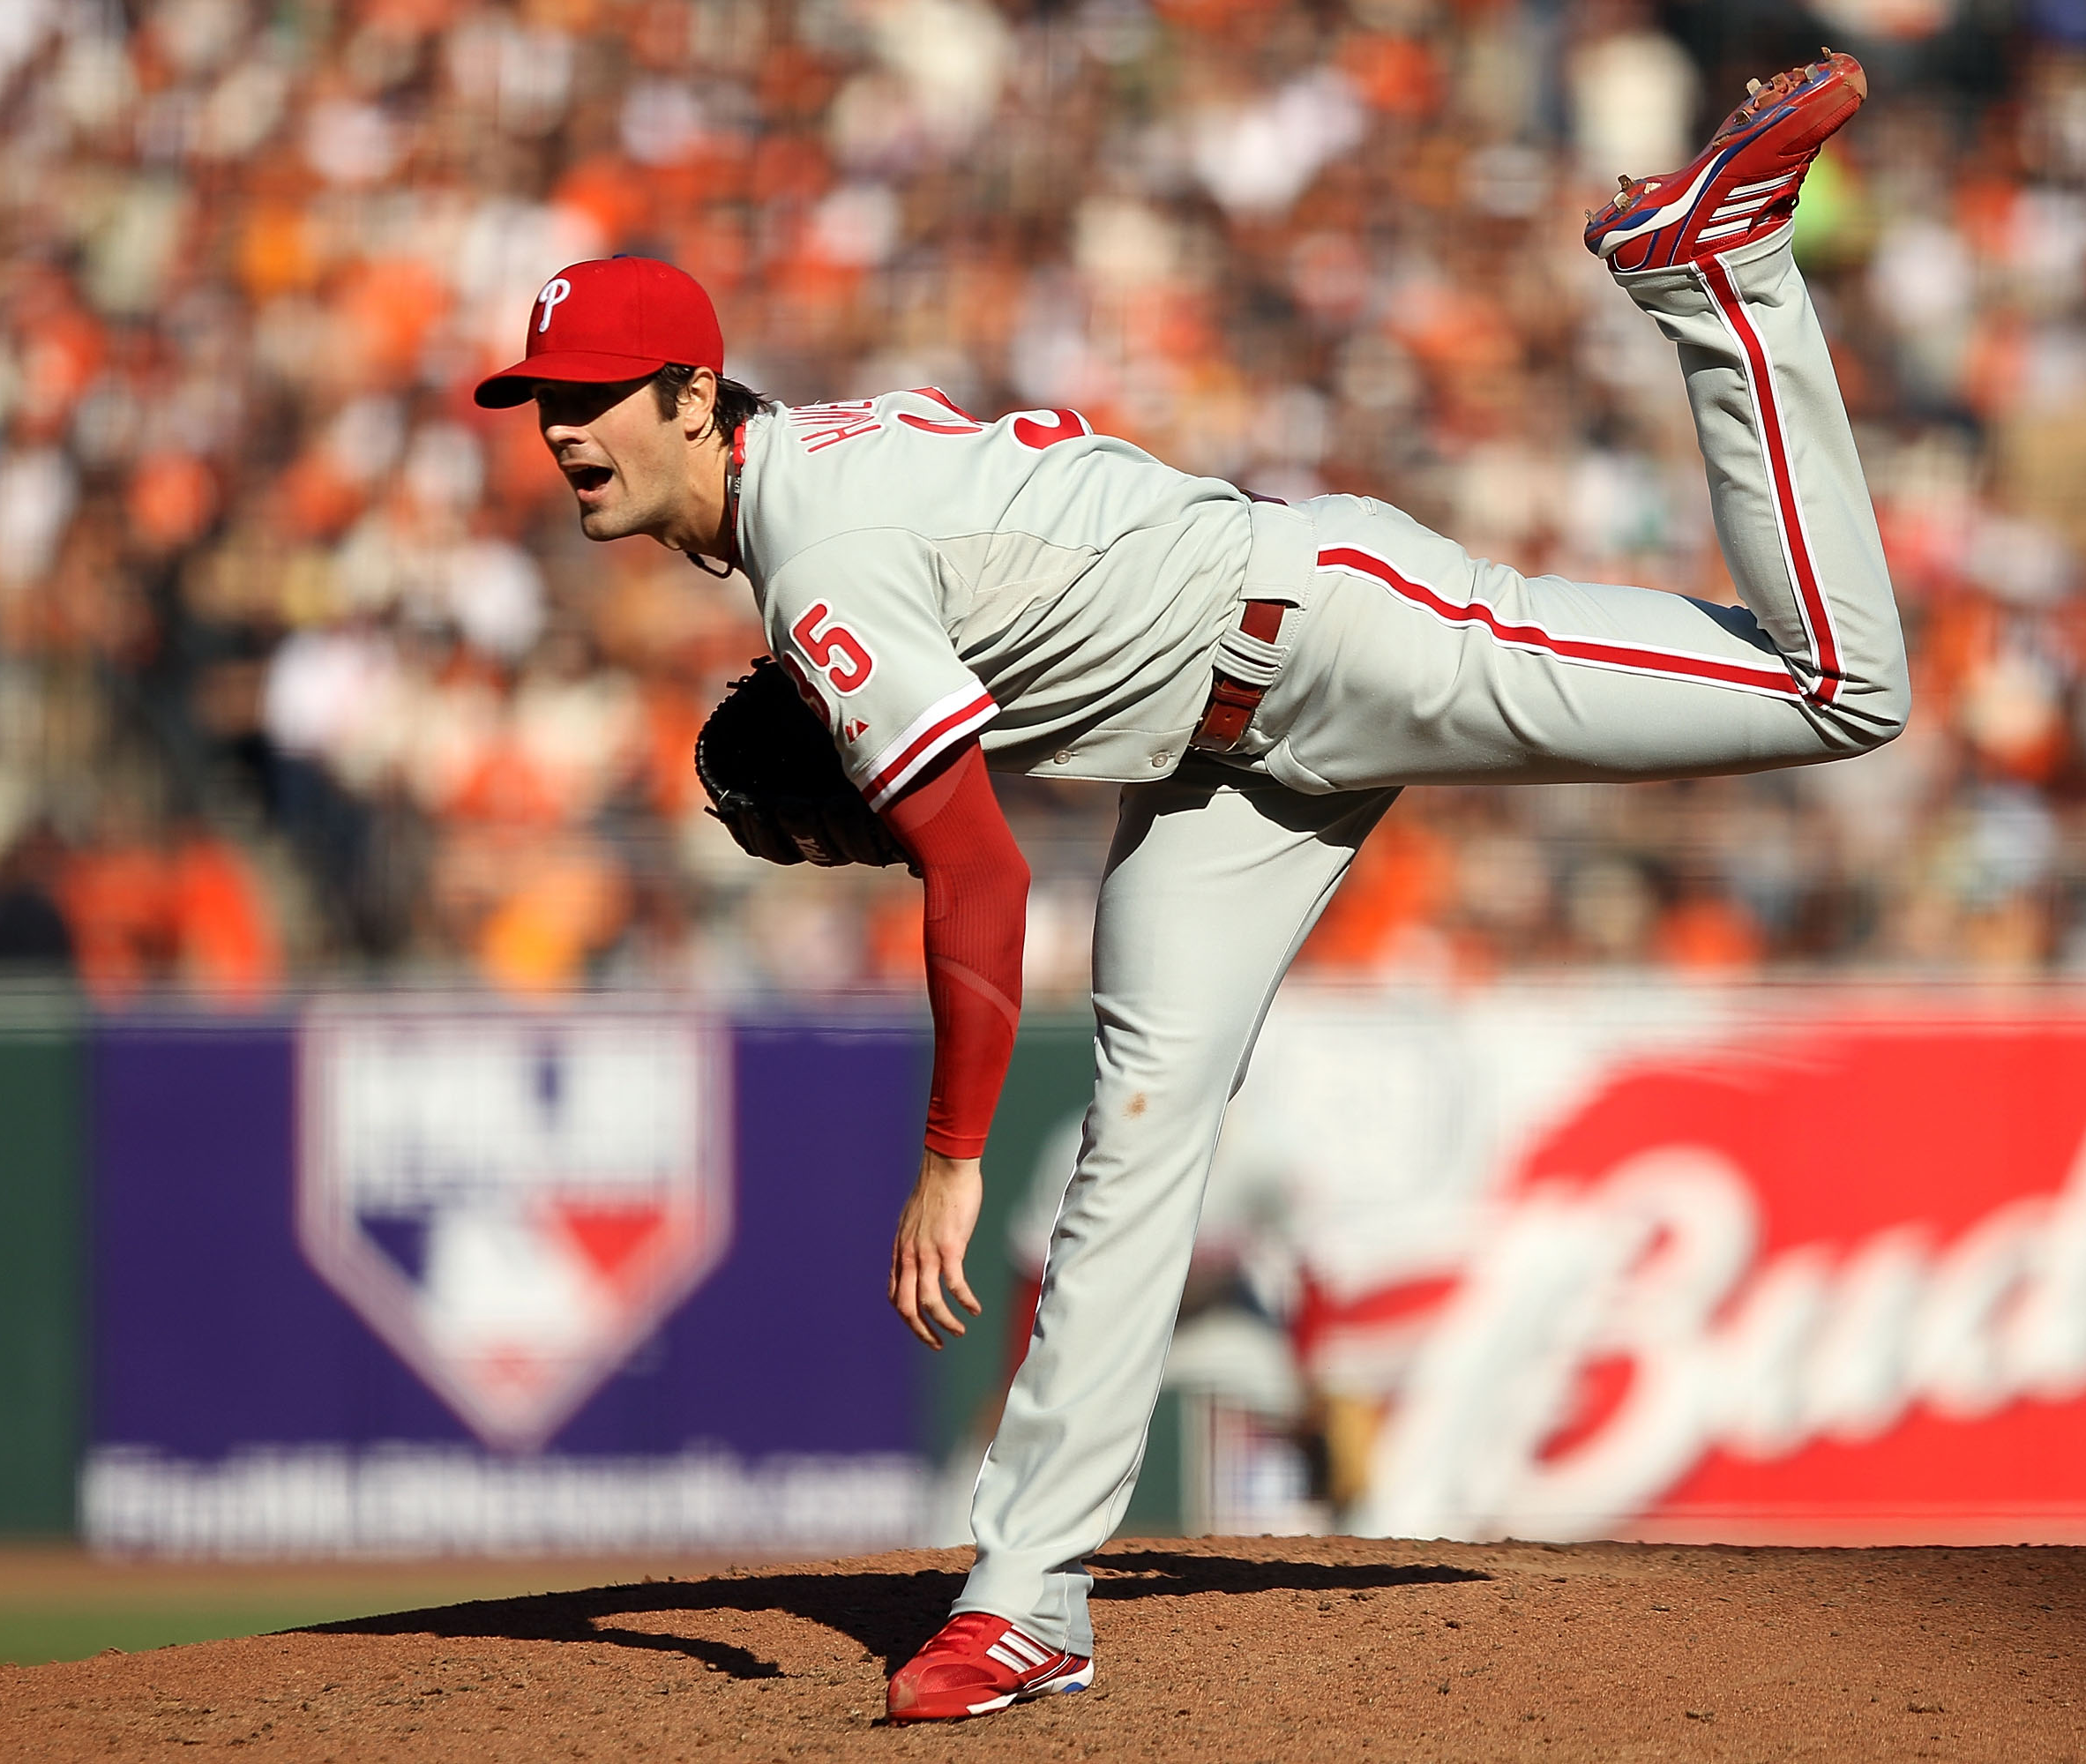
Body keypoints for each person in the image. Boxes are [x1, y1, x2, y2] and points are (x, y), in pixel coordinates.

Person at [475, 52, 1897, 1723]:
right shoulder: (806, 487)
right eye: (544, 401)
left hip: (1334, 631)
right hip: (1221, 761)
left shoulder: (819, 559)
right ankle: (1025, 1604)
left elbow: (981, 873)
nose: (564, 428)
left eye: (597, 395)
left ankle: (1716, 273)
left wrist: (946, 1164)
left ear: (697, 397)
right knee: (1135, 1142)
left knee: (1834, 691)